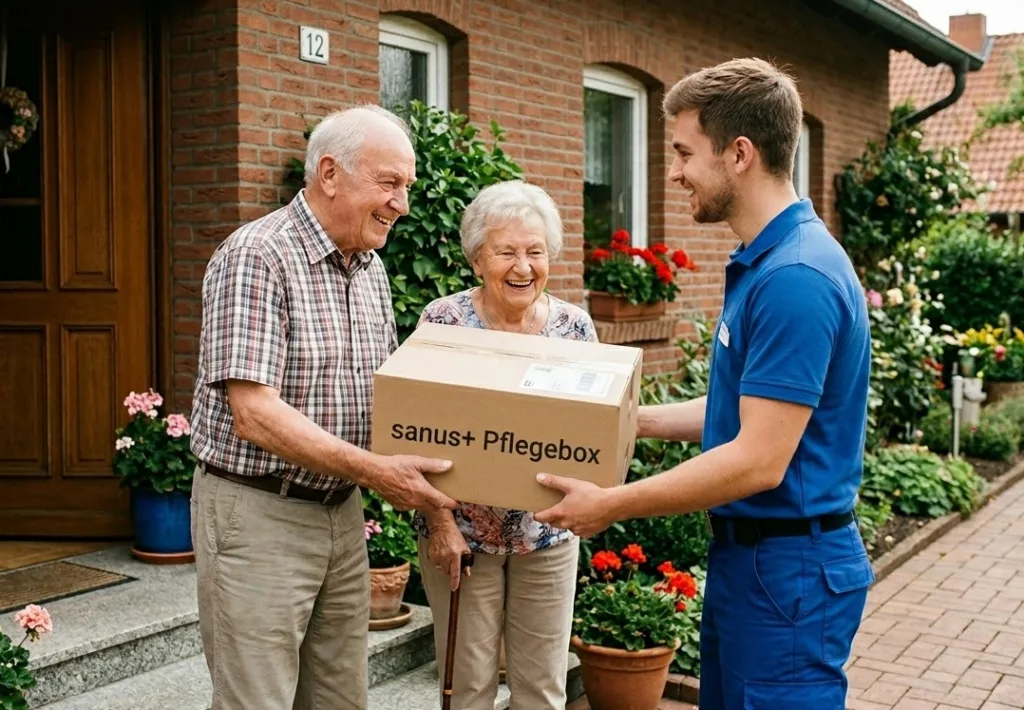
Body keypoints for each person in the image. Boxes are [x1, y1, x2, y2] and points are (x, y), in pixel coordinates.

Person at [534, 58, 874, 709]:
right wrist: (627, 418)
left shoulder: (794, 278)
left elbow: (758, 459)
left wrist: (610, 504)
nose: (674, 171)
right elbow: (746, 411)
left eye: (685, 151)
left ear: (739, 153)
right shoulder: (768, 261)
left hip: (787, 575)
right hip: (756, 568)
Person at [188, 105, 458, 710]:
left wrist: (438, 509)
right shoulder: (257, 255)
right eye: (389, 183)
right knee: (256, 699)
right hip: (258, 513)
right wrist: (376, 472)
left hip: (341, 511)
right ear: (330, 173)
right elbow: (254, 413)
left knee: (340, 698)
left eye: (407, 187)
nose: (402, 204)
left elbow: (388, 401)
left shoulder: (371, 269)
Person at [413, 180, 597, 710]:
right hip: (462, 537)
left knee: (541, 690)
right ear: (477, 259)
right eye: (507, 251)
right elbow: (416, 431)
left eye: (535, 251)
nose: (523, 267)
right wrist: (441, 525)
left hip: (549, 535)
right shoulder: (443, 322)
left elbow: (591, 432)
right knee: (467, 687)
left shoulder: (573, 330)